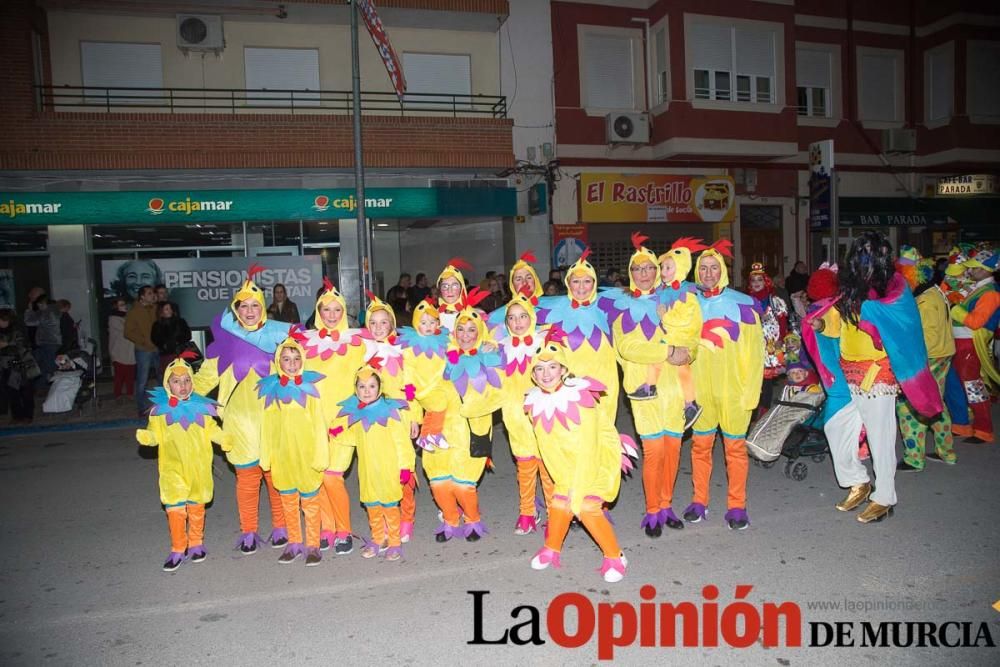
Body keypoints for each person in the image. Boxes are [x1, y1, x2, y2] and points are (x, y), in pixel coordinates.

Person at [809, 232, 942, 524]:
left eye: (871, 252)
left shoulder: (895, 288)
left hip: (877, 374)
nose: (865, 258)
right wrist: (821, 324)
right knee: (835, 428)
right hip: (848, 374)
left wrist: (867, 312)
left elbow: (901, 324)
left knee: (880, 438)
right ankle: (858, 481)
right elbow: (839, 324)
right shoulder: (851, 288)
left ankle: (884, 497)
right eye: (861, 252)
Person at [521, 331, 634, 583]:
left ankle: (615, 556)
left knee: (585, 506)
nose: (546, 373)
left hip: (598, 464)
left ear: (563, 370)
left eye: (552, 367)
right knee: (559, 502)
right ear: (533, 374)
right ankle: (551, 548)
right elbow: (549, 449)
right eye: (539, 369)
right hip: (568, 471)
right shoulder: (536, 402)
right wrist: (565, 483)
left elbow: (589, 446)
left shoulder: (578, 397)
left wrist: (578, 488)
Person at [605, 233, 697, 537]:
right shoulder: (622, 305)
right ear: (630, 274)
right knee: (654, 451)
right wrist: (668, 352)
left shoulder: (672, 300)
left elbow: (691, 336)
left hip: (676, 390)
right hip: (643, 391)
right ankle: (652, 510)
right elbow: (628, 347)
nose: (644, 274)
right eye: (637, 269)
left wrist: (688, 352)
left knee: (672, 450)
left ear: (657, 271)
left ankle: (667, 504)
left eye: (649, 268)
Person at [197, 265, 291, 554]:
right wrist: (178, 396)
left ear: (263, 308)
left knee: (276, 477)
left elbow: (296, 370)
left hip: (273, 419)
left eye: (255, 305)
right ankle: (249, 531)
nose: (249, 311)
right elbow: (205, 377)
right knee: (247, 479)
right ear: (235, 310)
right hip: (239, 423)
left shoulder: (277, 339)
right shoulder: (226, 340)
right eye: (244, 306)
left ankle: (282, 526)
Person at [686, 240, 763, 530]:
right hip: (700, 392)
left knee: (735, 451)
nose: (707, 273)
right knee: (700, 449)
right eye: (703, 268)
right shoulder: (689, 304)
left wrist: (750, 393)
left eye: (713, 268)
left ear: (723, 271)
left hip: (734, 393)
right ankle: (699, 500)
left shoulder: (743, 305)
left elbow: (755, 354)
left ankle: (736, 505)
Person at [418, 287, 501, 542]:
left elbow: (498, 394)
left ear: (480, 333)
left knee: (464, 484)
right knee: (439, 483)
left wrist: (471, 408)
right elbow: (431, 388)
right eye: (461, 330)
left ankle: (473, 519)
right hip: (441, 430)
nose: (466, 335)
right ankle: (450, 520)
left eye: (472, 330)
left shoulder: (490, 357)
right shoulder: (444, 357)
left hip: (471, 429)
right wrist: (421, 393)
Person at [295, 278, 365, 555]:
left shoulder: (358, 341)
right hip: (315, 421)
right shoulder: (306, 343)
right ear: (318, 312)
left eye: (337, 310)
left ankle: (344, 529)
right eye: (326, 310)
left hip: (344, 420)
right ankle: (326, 527)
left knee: (333, 477)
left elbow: (389, 351)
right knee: (319, 476)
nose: (332, 316)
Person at [135, 357, 222, 572]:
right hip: (172, 468)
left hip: (198, 467)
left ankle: (196, 543)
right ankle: (177, 547)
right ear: (167, 384)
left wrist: (224, 438)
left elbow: (211, 429)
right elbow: (155, 433)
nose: (182, 386)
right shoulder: (159, 412)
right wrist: (149, 438)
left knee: (196, 505)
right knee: (175, 507)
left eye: (186, 380)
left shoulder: (201, 407)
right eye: (176, 381)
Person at [257, 337, 328, 566]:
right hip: (282, 457)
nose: (292, 363)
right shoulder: (271, 390)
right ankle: (294, 542)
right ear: (278, 361)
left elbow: (319, 424)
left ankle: (313, 545)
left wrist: (321, 455)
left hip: (307, 456)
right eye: (286, 359)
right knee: (288, 502)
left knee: (310, 503)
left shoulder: (310, 390)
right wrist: (266, 456)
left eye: (297, 358)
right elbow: (267, 427)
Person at [332, 362, 411, 562]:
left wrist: (405, 467)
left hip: (389, 469)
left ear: (380, 388)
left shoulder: (390, 412)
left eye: (372, 386)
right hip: (367, 472)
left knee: (390, 507)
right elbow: (351, 437)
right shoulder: (357, 414)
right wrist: (336, 432)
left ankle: (394, 542)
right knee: (373, 507)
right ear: (356, 390)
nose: (367, 391)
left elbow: (402, 442)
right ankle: (377, 539)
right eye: (362, 387)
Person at [627, 237, 705, 429]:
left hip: (682, 337)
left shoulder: (687, 293)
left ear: (680, 269)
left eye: (667, 268)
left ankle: (687, 402)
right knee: (671, 364)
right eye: (662, 268)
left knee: (673, 363)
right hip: (675, 338)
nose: (663, 272)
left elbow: (686, 319)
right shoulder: (663, 291)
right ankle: (659, 390)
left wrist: (665, 317)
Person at [894, 246, 956, 471]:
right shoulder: (934, 292)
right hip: (942, 353)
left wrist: (910, 358)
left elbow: (927, 335)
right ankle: (946, 452)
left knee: (910, 406)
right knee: (935, 402)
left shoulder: (925, 300)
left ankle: (914, 458)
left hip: (928, 357)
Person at [496, 290, 553, 535]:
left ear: (531, 317)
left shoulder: (544, 342)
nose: (518, 322)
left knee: (548, 467)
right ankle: (527, 513)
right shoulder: (500, 348)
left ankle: (554, 513)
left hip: (541, 414)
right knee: (525, 467)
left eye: (522, 317)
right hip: (515, 418)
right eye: (512, 318)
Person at [947, 244, 1000, 443]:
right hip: (959, 343)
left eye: (975, 268)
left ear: (988, 269)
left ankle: (984, 429)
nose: (970, 270)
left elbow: (976, 322)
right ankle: (962, 425)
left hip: (970, 343)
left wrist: (954, 309)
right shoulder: (976, 288)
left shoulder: (991, 293)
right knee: (953, 385)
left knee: (973, 387)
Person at [747, 263, 788, 416]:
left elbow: (783, 322)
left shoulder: (774, 300)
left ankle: (764, 409)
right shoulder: (747, 300)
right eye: (753, 280)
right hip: (753, 343)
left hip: (770, 344)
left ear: (766, 282)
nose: (757, 283)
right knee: (753, 377)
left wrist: (781, 340)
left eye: (760, 280)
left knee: (767, 378)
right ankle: (753, 407)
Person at [0, 309, 41, 424]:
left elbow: (23, 346)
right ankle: (17, 416)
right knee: (12, 391)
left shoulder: (17, 330)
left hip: (21, 364)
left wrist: (7, 345)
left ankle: (28, 415)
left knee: (25, 391)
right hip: (6, 365)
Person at [125, 285, 159, 416]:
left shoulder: (156, 309)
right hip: (143, 349)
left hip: (157, 348)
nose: (152, 295)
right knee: (142, 380)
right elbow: (128, 332)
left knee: (162, 377)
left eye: (153, 293)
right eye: (150, 293)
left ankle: (164, 405)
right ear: (142, 296)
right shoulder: (134, 312)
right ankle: (142, 407)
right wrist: (144, 341)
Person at [26, 294, 61, 383]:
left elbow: (29, 322)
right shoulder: (53, 310)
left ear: (43, 303)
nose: (39, 307)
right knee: (49, 365)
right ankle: (48, 386)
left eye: (39, 305)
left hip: (48, 342)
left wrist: (29, 311)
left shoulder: (47, 312)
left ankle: (52, 386)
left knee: (49, 366)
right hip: (52, 342)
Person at [151, 301, 192, 375]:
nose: (170, 311)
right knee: (169, 376)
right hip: (166, 355)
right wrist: (164, 345)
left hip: (180, 353)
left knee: (183, 375)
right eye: (166, 309)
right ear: (161, 312)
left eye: (170, 308)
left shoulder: (180, 322)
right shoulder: (157, 325)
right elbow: (154, 338)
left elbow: (188, 335)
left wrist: (177, 341)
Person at [107, 298, 135, 403]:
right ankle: (118, 394)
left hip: (128, 351)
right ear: (116, 307)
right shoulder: (114, 319)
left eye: (124, 304)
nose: (125, 306)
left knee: (130, 375)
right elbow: (127, 330)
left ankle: (130, 393)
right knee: (119, 375)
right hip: (119, 351)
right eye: (122, 304)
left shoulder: (126, 317)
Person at [435, 258, 472, 332]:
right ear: (440, 290)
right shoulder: (433, 316)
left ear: (462, 289)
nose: (450, 290)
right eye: (445, 286)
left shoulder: (471, 314)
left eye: (454, 286)